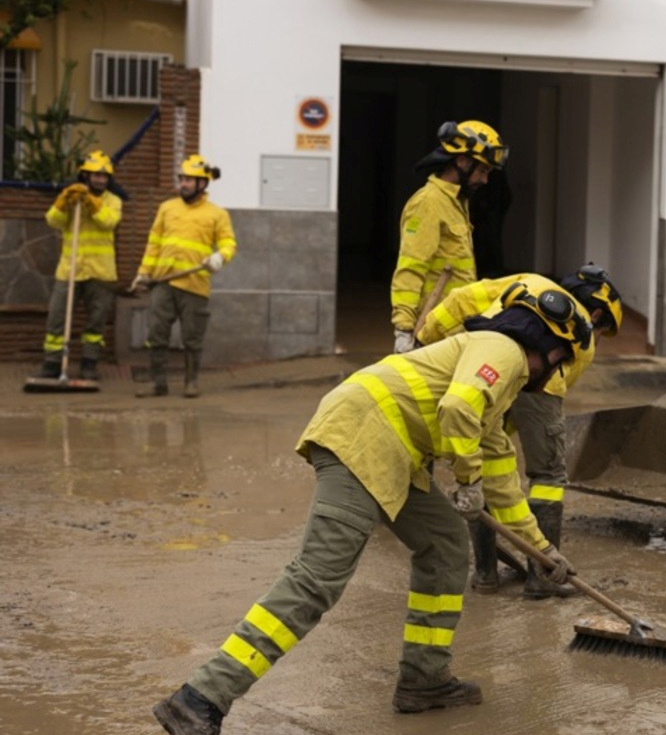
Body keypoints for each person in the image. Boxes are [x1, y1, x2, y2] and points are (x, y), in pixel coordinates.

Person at [152, 284, 590, 735]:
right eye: (561, 359)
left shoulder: (498, 394)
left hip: (395, 455)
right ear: (550, 346)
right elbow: (458, 408)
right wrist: (467, 480)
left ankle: (425, 680)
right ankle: (201, 697)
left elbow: (504, 483)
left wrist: (543, 553)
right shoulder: (505, 349)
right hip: (362, 438)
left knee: (444, 545)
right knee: (317, 579)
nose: (555, 371)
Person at [417, 264, 624, 600]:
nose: (598, 338)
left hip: (485, 371)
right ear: (597, 313)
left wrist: (422, 339)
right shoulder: (583, 337)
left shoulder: (529, 282)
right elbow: (545, 385)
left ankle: (485, 574)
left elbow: (460, 299)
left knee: (482, 470)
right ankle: (542, 576)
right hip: (536, 388)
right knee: (548, 477)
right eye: (605, 330)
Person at [391, 120, 508, 354]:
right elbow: (410, 268)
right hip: (431, 329)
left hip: (454, 325)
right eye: (483, 170)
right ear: (462, 161)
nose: (485, 180)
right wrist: (404, 329)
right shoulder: (428, 203)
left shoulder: (457, 203)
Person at [131, 154, 235, 398]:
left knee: (192, 337)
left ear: (203, 184)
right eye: (182, 179)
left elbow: (229, 242)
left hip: (194, 284)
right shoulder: (167, 208)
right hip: (163, 282)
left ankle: (191, 382)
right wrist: (143, 273)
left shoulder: (217, 214)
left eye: (190, 180)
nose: (184, 184)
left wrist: (219, 257)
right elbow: (153, 244)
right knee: (156, 333)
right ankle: (158, 383)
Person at [34, 150, 123, 382]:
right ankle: (52, 363)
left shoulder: (113, 201)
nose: (100, 180)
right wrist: (63, 202)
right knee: (57, 317)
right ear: (85, 176)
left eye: (104, 177)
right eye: (95, 176)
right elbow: (53, 221)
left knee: (96, 321)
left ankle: (89, 364)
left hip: (101, 272)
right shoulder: (72, 199)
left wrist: (91, 202)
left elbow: (108, 222)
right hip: (70, 270)